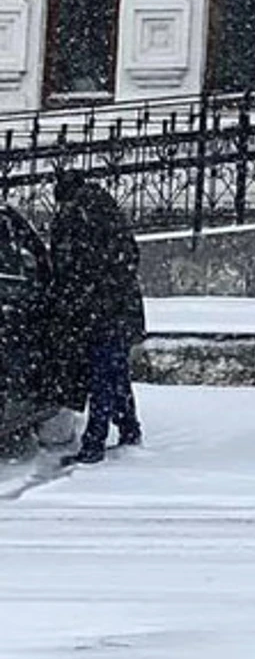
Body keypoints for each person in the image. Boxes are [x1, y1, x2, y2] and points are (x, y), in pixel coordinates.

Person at [48, 171, 145, 466]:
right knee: (114, 373)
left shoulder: (77, 219)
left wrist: (72, 302)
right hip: (118, 311)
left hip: (97, 313)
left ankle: (94, 444)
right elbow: (127, 258)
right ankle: (129, 429)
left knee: (102, 377)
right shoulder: (106, 211)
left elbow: (69, 269)